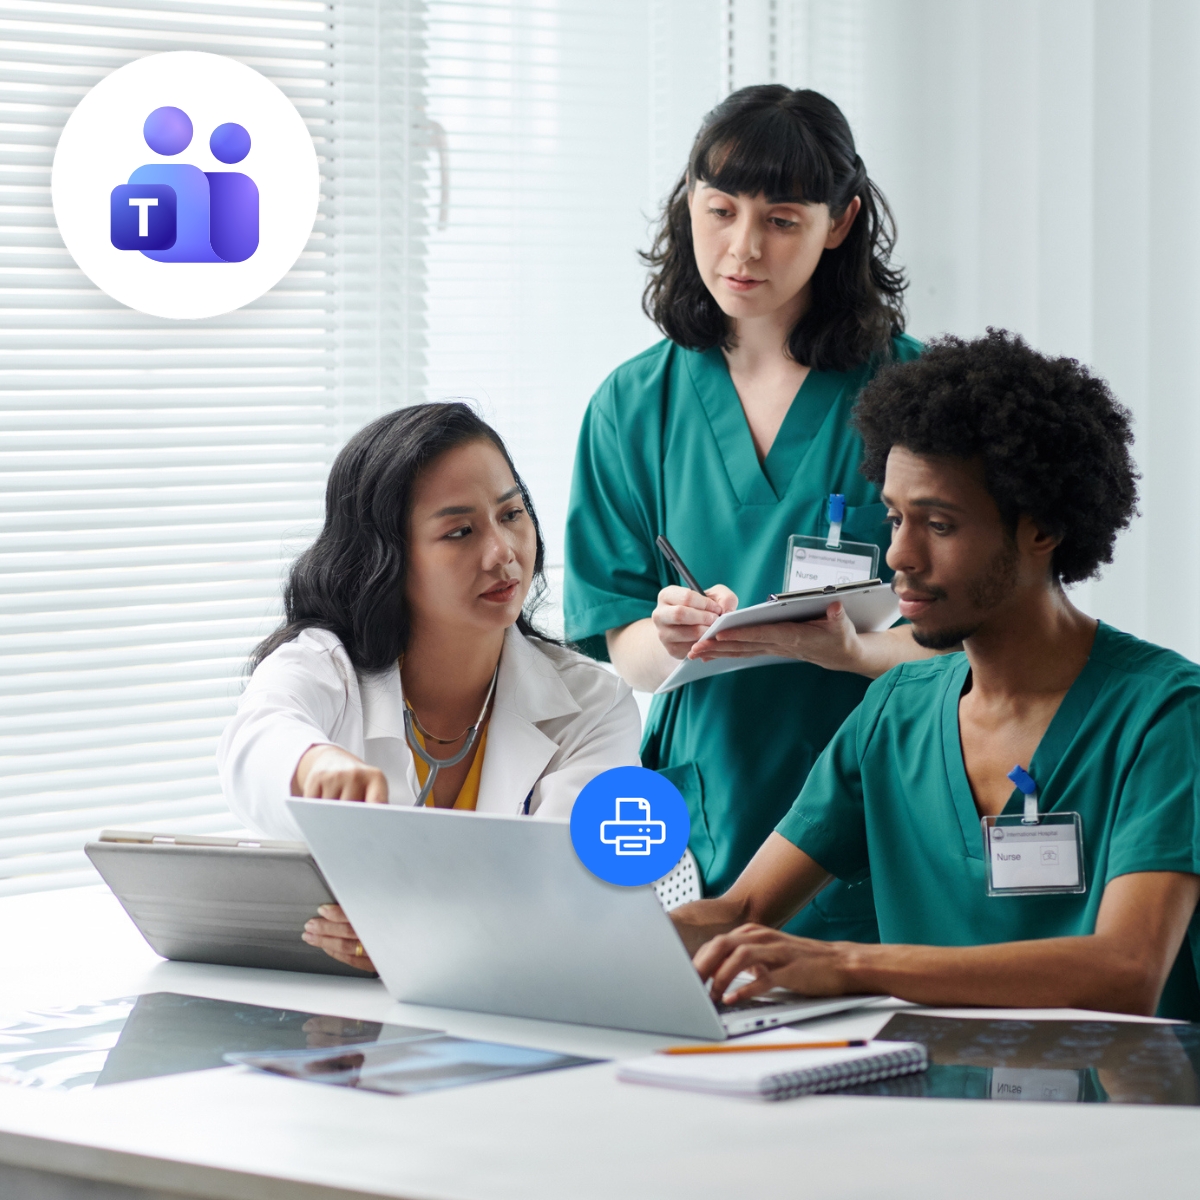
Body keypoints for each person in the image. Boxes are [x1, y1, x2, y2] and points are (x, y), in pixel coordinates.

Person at [672, 330, 1200, 1020]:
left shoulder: (1164, 715)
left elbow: (1126, 971)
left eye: (939, 525)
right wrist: (585, 942)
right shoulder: (894, 712)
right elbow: (740, 910)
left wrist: (848, 966)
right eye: (895, 518)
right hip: (924, 1085)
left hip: (1118, 1087)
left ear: (1041, 530)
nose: (899, 554)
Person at [564, 85, 936, 946]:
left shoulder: (914, 396)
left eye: (781, 220)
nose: (742, 248)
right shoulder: (633, 406)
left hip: (873, 798)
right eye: (720, 210)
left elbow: (976, 642)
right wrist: (673, 632)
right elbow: (627, 651)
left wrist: (853, 652)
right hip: (700, 809)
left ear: (839, 223)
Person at [217, 403, 641, 971]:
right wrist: (314, 765)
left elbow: (574, 886)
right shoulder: (323, 665)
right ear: (386, 558)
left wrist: (420, 934)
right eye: (460, 531)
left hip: (510, 1000)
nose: (503, 552)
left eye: (512, 513)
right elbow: (257, 738)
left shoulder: (592, 705)